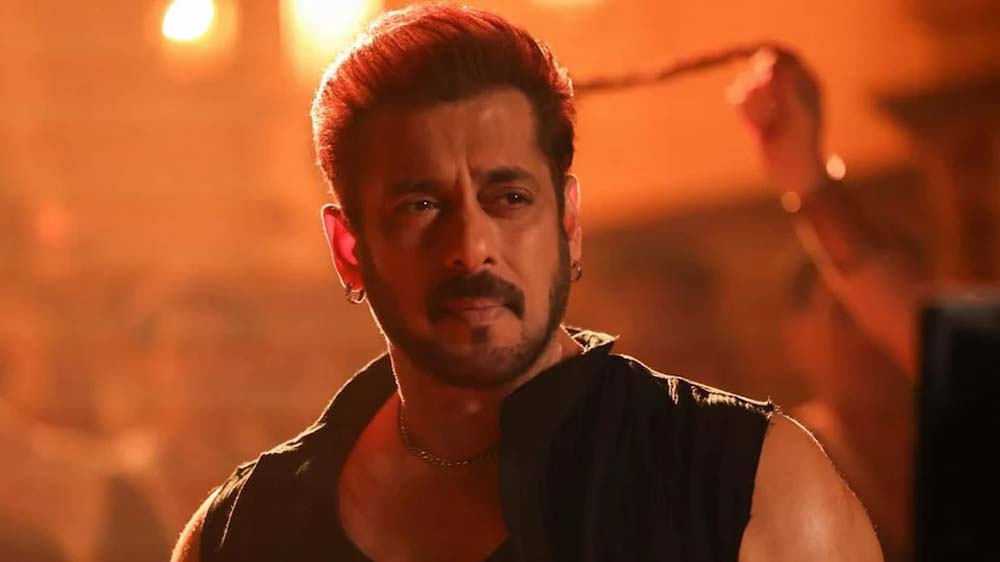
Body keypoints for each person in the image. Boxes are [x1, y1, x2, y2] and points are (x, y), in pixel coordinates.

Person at [171, 4, 881, 561]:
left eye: (509, 198)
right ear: (348, 249)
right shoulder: (243, 533)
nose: (471, 248)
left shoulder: (745, 483)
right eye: (421, 206)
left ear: (568, 223)